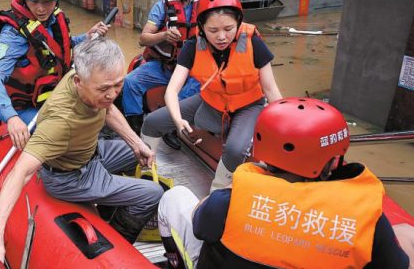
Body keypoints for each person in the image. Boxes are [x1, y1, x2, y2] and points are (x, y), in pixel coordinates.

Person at [0, 38, 163, 267]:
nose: (112, 94)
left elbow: (108, 108)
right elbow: (20, 173)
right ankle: (117, 236)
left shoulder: (87, 80)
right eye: (104, 89)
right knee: (152, 192)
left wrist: (135, 143)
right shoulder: (60, 121)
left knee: (141, 151)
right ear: (79, 82)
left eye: (118, 85)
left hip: (90, 150)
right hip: (71, 176)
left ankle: (113, 200)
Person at [156, 98, 411, 268]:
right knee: (407, 234)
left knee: (173, 196)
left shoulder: (231, 200)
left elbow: (201, 224)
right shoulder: (367, 222)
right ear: (334, 162)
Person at [141, 0, 282, 192]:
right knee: (152, 122)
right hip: (211, 100)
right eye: (213, 31)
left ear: (239, 24)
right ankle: (147, 172)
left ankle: (217, 190)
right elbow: (171, 90)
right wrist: (178, 120)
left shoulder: (253, 43)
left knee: (234, 150)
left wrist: (282, 125)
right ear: (201, 27)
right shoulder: (193, 46)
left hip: (249, 105)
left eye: (229, 28)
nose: (222, 37)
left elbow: (270, 89)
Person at [0, 0, 109, 150]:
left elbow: (59, 49)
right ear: (25, 1)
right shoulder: (12, 34)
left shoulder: (55, 19)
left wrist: (87, 36)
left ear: (56, 0)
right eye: (34, 2)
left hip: (56, 93)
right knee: (61, 134)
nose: (41, 9)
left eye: (47, 2)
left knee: (100, 108)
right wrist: (11, 117)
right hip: (27, 106)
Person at [121, 0, 207, 135]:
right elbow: (143, 39)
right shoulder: (162, 6)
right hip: (165, 66)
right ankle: (136, 129)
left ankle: (171, 130)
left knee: (182, 98)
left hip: (195, 70)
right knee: (130, 82)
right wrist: (164, 35)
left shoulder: (207, 3)